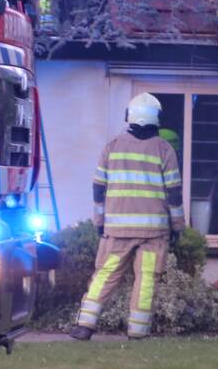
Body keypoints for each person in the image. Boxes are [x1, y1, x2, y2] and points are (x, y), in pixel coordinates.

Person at [69, 93, 185, 341]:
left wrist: (99, 222)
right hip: (154, 232)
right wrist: (177, 225)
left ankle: (85, 325)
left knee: (105, 274)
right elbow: (174, 193)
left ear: (129, 116)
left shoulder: (112, 147)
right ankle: (138, 331)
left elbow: (98, 188)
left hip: (117, 230)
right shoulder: (164, 149)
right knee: (146, 279)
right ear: (157, 118)